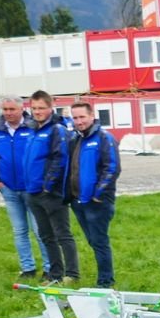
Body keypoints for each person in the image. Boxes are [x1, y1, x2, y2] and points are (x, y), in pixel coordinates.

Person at [0, 97, 50, 279]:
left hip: (32, 189)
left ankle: (49, 267)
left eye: (12, 109)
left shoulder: (32, 128)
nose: (8, 113)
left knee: (39, 230)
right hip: (9, 189)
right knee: (19, 231)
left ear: (22, 109)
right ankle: (27, 268)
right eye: (5, 109)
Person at [64, 102, 121, 288]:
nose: (79, 121)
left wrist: (98, 194)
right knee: (93, 241)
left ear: (91, 116)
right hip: (78, 200)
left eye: (82, 117)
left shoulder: (104, 138)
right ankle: (104, 277)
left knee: (100, 241)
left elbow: (112, 168)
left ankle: (105, 281)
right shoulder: (74, 139)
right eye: (75, 117)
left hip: (97, 202)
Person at [25, 90, 79, 284]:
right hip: (32, 192)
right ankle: (55, 274)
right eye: (34, 108)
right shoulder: (32, 130)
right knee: (46, 235)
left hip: (51, 193)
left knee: (62, 234)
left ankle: (72, 274)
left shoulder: (56, 130)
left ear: (50, 108)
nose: (37, 112)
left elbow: (60, 159)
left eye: (41, 108)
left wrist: (48, 186)